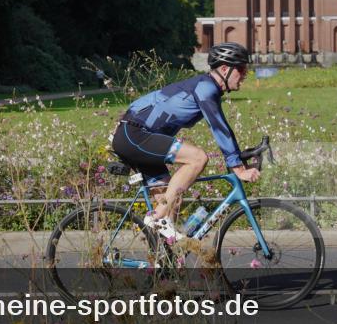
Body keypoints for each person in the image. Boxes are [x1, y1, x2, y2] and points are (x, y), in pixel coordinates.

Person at [111, 43, 260, 240]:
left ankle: (166, 265)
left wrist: (240, 156)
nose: (245, 74)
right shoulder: (206, 88)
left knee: (174, 200)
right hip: (134, 135)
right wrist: (238, 169)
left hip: (136, 136)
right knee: (198, 158)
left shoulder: (205, 87)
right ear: (225, 69)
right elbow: (219, 127)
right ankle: (155, 217)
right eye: (241, 69)